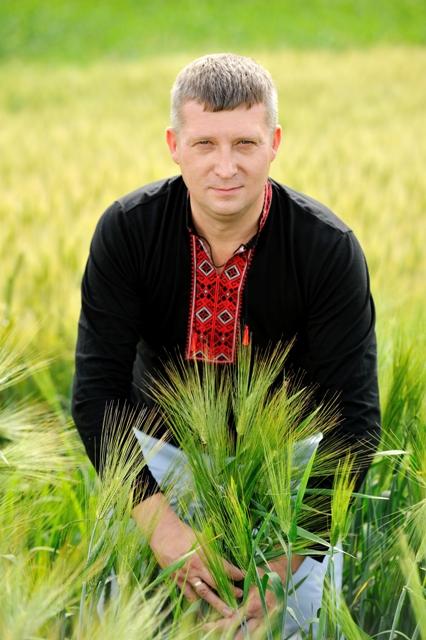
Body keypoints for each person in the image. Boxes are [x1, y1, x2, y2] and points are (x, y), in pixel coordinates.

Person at [72, 53, 380, 637]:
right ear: (174, 145)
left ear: (274, 143)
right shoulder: (128, 231)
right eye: (205, 143)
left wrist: (285, 565)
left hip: (291, 477)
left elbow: (355, 421)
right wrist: (163, 530)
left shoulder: (327, 249)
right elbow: (97, 395)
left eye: (245, 143)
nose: (225, 166)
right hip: (155, 467)